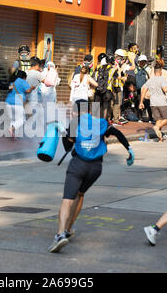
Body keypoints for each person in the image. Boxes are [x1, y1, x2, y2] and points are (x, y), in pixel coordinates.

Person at [48, 99, 135, 253]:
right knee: (80, 194)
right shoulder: (101, 122)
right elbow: (117, 132)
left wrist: (63, 131)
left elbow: (67, 146)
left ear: (75, 112)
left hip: (78, 165)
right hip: (96, 168)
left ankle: (60, 234)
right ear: (89, 110)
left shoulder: (75, 123)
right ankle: (69, 229)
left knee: (67, 199)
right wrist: (129, 149)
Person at [139, 66, 167, 142]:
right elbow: (166, 89)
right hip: (161, 102)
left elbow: (144, 89)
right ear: (160, 72)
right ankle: (157, 127)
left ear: (154, 72)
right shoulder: (162, 79)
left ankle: (160, 139)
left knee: (158, 119)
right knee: (166, 119)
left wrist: (141, 102)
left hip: (153, 103)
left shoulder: (150, 80)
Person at [5, 70, 34, 140]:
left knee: (13, 119)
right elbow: (28, 91)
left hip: (8, 102)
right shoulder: (23, 81)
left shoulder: (13, 82)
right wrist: (32, 88)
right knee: (22, 119)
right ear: (24, 77)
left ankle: (13, 135)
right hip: (17, 103)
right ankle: (11, 128)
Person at [134, 54, 153, 123]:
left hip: (146, 89)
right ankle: (139, 117)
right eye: (141, 61)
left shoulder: (148, 69)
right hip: (138, 89)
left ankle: (151, 118)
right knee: (139, 102)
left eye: (143, 61)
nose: (142, 63)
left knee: (148, 104)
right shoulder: (136, 69)